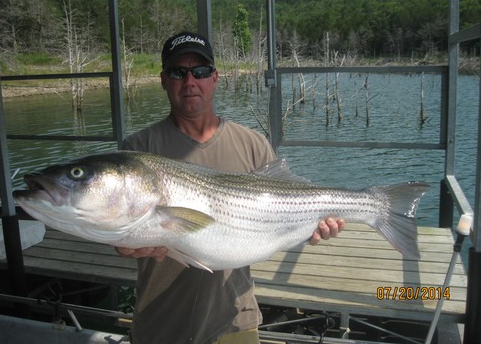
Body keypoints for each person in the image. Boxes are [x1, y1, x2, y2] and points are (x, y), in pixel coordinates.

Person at [117, 31, 345, 344]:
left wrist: (313, 228)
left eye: (199, 72)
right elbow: (117, 224)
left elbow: (281, 217)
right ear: (163, 80)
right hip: (160, 323)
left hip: (236, 320)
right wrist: (122, 241)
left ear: (215, 78)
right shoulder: (137, 149)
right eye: (177, 72)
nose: (190, 81)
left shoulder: (253, 144)